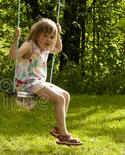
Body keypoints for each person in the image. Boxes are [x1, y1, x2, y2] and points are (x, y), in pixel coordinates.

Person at [9, 18, 83, 146]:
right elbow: (12, 57)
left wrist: (58, 35)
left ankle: (60, 129)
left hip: (38, 82)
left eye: (51, 37)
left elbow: (59, 48)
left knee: (66, 95)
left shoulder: (45, 48)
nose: (49, 39)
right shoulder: (29, 45)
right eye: (45, 36)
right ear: (36, 35)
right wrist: (16, 39)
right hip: (27, 83)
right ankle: (64, 135)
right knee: (59, 99)